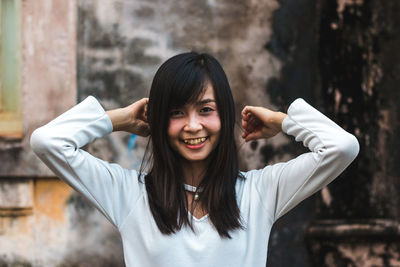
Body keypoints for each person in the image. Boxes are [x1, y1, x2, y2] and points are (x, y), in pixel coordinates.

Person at [30, 52, 359, 267]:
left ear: (223, 114)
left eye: (205, 110)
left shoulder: (260, 193)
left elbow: (341, 147)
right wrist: (118, 119)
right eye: (176, 113)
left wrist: (281, 120)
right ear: (160, 120)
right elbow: (47, 141)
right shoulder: (129, 194)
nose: (192, 126)